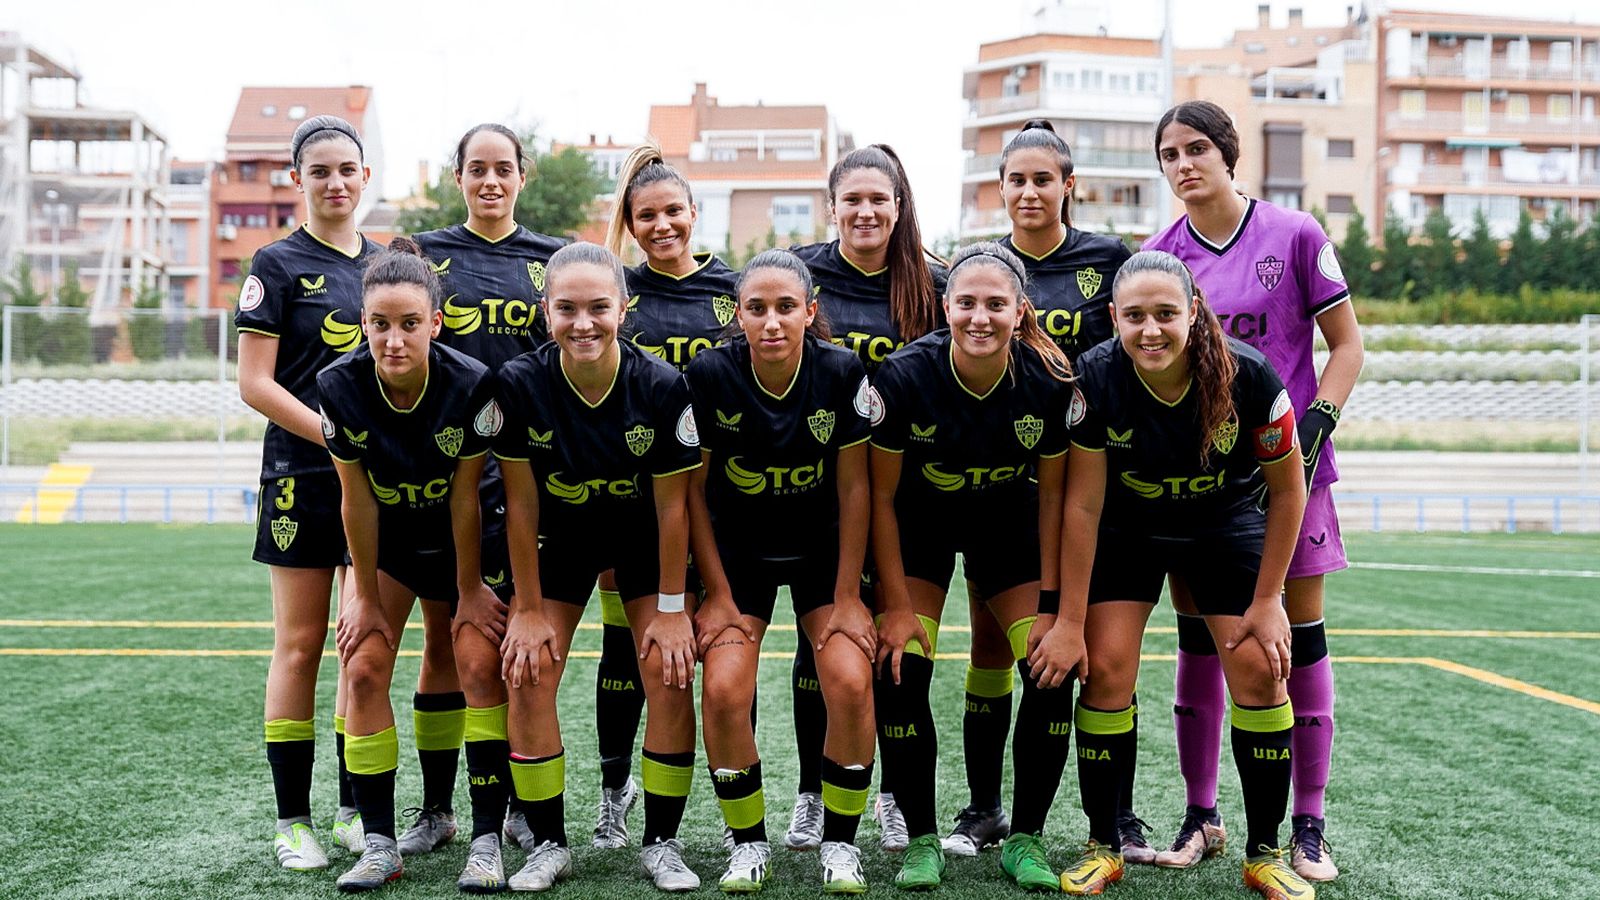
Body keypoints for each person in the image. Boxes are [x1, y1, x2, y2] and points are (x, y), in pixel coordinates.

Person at [1033, 250, 1311, 898]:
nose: (1150, 330)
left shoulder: (1251, 378)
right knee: (1102, 670)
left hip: (1223, 523)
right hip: (1128, 531)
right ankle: (1106, 844)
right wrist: (1070, 620)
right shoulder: (1096, 380)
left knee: (1259, 668)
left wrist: (1269, 599)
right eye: (1134, 317)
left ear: (1193, 311)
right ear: (1113, 319)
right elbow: (1083, 503)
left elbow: (1289, 492)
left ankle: (1265, 852)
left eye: (1164, 314)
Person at [1144, 100, 1362, 882]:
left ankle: (1309, 825)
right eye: (1169, 154)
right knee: (1201, 639)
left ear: (1229, 153)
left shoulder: (1296, 236)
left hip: (1287, 478)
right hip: (1199, 491)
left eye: (1197, 148)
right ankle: (1202, 815)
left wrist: (1314, 430)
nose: (1184, 164)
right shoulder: (1159, 256)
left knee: (1295, 642)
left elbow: (1347, 345)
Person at [944, 118, 1139, 861]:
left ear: (1069, 185)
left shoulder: (1106, 261)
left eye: (1043, 179)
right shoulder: (977, 268)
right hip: (1000, 485)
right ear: (1000, 189)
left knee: (1097, 648)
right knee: (993, 640)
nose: (1029, 191)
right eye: (1016, 180)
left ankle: (1115, 814)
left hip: (1088, 475)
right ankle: (986, 809)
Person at [491, 242, 703, 893]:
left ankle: (662, 844)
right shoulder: (521, 384)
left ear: (624, 307)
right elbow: (520, 507)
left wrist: (671, 613)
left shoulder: (662, 385)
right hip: (560, 543)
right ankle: (548, 842)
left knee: (668, 675)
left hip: (643, 543)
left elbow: (674, 512)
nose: (583, 323)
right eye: (568, 309)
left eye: (598, 308)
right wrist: (526, 609)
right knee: (527, 673)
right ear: (546, 311)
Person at [868, 242, 1076, 891]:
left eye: (995, 304)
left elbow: (1056, 502)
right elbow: (876, 496)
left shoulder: (1049, 382)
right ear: (946, 308)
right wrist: (896, 605)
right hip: (918, 530)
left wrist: (1053, 607)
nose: (979, 317)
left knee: (1048, 668)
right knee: (900, 665)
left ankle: (1027, 839)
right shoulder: (902, 378)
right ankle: (921, 839)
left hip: (1008, 526)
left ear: (1020, 311)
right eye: (966, 303)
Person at [683, 249, 877, 893]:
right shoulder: (709, 373)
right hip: (740, 556)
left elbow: (855, 491)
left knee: (849, 680)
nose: (771, 321)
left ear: (810, 312)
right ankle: (747, 845)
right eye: (757, 308)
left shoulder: (841, 370)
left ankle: (842, 846)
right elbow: (693, 493)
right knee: (724, 688)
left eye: (786, 307)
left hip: (821, 550)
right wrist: (713, 592)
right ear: (738, 315)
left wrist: (849, 596)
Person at [317, 237, 501, 891]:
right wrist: (362, 595)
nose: (394, 340)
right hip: (388, 541)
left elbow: (464, 496)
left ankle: (481, 837)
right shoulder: (337, 385)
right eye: (380, 324)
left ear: (436, 322)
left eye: (409, 324)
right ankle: (378, 844)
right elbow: (356, 500)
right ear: (363, 323)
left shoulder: (472, 384)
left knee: (476, 662)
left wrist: (471, 587)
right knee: (363, 664)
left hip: (464, 536)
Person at [412, 123, 567, 867]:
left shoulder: (551, 261)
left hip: (526, 482)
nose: (491, 181)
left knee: (510, 653)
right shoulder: (420, 252)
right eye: (477, 169)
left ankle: (512, 807)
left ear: (523, 176)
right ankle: (438, 808)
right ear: (459, 176)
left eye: (503, 168)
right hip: (443, 479)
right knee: (447, 651)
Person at [579, 142, 738, 851]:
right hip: (636, 508)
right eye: (648, 215)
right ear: (632, 223)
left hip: (725, 505)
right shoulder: (620, 296)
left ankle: (756, 803)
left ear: (694, 213)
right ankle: (615, 792)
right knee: (629, 652)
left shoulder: (735, 293)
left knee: (724, 653)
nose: (663, 224)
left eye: (675, 210)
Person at [790, 143, 946, 853]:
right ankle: (811, 794)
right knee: (818, 649)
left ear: (899, 205)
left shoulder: (933, 282)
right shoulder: (801, 273)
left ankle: (888, 794)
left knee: (891, 653)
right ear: (832, 207)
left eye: (878, 198)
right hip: (818, 493)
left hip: (908, 496)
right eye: (851, 199)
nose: (865, 210)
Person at [235, 114, 381, 871]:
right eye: (320, 170)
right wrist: (332, 433)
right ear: (300, 180)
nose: (336, 182)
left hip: (380, 486)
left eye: (347, 169)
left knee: (362, 649)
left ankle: (356, 809)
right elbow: (253, 383)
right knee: (300, 645)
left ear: (365, 177)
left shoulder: (388, 264)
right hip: (301, 479)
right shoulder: (277, 264)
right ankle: (293, 821)